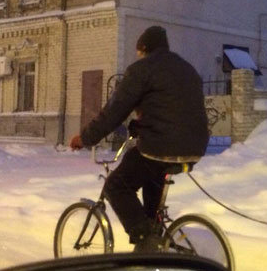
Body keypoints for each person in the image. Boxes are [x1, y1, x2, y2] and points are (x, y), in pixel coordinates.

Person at [69, 26, 209, 252]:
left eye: (139, 52)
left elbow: (114, 112)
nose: (138, 57)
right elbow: (171, 109)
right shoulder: (187, 69)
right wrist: (141, 125)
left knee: (116, 185)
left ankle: (146, 239)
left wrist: (85, 138)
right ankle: (154, 239)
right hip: (195, 147)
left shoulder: (142, 70)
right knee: (151, 176)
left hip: (161, 146)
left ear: (143, 48)